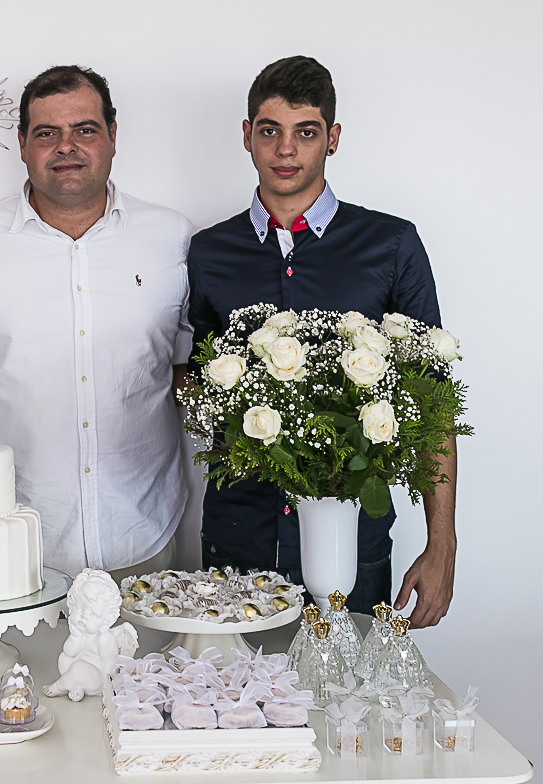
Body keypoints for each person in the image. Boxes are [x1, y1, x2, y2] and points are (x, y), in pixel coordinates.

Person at [186, 56, 456, 627]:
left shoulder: (390, 245)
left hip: (351, 534)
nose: (286, 150)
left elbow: (434, 405)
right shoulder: (210, 251)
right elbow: (200, 381)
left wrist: (442, 545)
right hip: (239, 534)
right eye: (270, 131)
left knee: (344, 701)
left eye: (305, 132)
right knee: (236, 703)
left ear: (331, 139)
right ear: (247, 137)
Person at [0, 66, 194, 578]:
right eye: (47, 133)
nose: (66, 147)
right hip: (9, 540)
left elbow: (192, 371)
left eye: (85, 129)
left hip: (142, 534)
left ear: (113, 137)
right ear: (22, 144)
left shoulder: (173, 239)